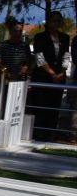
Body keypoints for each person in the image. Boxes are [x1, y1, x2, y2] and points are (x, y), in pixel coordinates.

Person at [29, 10, 71, 140]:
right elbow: (39, 57)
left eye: (58, 21)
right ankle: (38, 134)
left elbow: (66, 56)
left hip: (59, 78)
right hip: (43, 76)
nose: (56, 23)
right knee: (41, 106)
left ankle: (51, 134)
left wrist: (62, 72)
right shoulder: (40, 37)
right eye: (53, 20)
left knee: (54, 106)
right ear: (48, 22)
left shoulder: (65, 37)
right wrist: (52, 73)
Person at [0, 16, 32, 116]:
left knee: (16, 107)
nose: (17, 33)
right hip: (3, 81)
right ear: (10, 31)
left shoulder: (25, 46)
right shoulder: (2, 45)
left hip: (19, 81)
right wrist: (7, 74)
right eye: (15, 31)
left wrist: (26, 68)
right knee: (1, 107)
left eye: (20, 31)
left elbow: (29, 61)